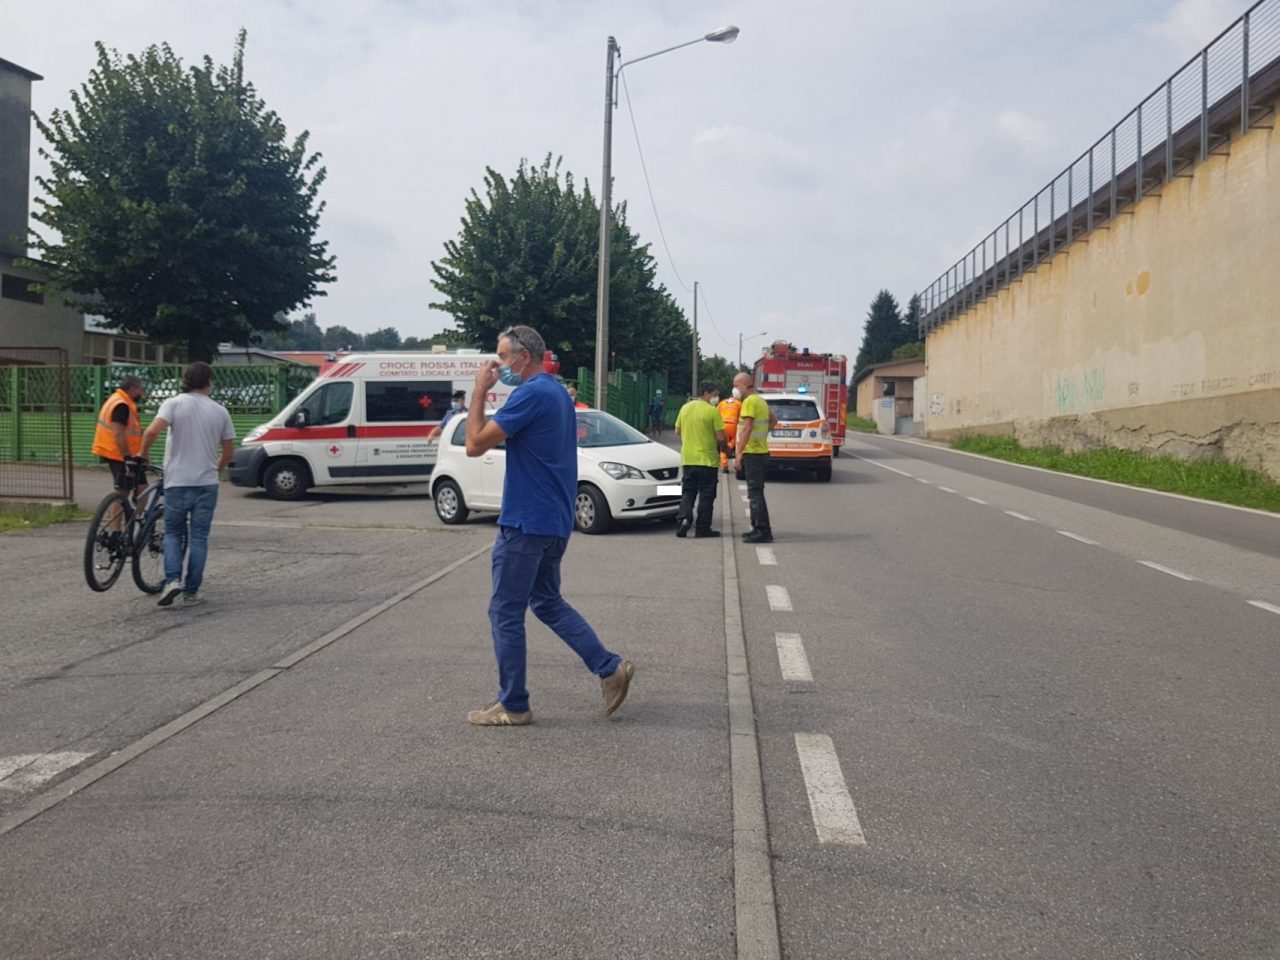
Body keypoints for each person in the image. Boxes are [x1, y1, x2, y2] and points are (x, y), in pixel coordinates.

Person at [463, 324, 634, 726]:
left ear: (524, 357)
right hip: (553, 520)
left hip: (525, 520)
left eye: (503, 357)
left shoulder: (530, 393)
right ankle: (609, 668)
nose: (498, 364)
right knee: (546, 601)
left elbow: (473, 444)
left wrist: (479, 392)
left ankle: (514, 704)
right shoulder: (556, 392)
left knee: (505, 611)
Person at [139, 361, 236, 608]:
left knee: (173, 533)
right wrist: (216, 468)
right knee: (199, 537)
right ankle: (192, 592)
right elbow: (228, 451)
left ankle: (172, 581)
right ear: (209, 382)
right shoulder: (220, 411)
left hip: (177, 481)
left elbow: (151, 432)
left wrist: (144, 454)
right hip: (206, 483)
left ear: (185, 380)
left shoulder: (173, 403)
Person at [673, 380, 728, 539]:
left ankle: (683, 519)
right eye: (714, 395)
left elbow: (677, 431)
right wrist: (725, 448)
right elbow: (720, 437)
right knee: (706, 495)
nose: (716, 398)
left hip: (688, 459)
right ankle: (702, 528)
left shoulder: (685, 408)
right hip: (707, 461)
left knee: (688, 492)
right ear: (706, 393)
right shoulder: (712, 411)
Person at [733, 372, 777, 544]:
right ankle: (756, 528)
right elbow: (774, 421)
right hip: (762, 452)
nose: (734, 389)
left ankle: (763, 530)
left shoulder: (749, 402)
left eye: (736, 385)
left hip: (753, 455)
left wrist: (738, 454)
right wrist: (761, 437)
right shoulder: (760, 401)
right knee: (756, 492)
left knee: (755, 493)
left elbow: (747, 427)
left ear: (745, 385)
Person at [91, 374, 146, 493]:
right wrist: (127, 457)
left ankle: (133, 511)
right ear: (133, 389)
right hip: (118, 453)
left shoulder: (118, 399)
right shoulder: (122, 405)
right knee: (123, 490)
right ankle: (118, 512)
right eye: (141, 390)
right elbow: (118, 433)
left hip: (123, 452)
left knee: (142, 487)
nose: (142, 394)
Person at [717, 387, 742, 474]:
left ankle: (724, 466)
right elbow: (742, 416)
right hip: (733, 426)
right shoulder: (739, 404)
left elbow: (716, 414)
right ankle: (730, 446)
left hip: (723, 425)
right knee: (735, 439)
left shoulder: (722, 403)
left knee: (722, 445)